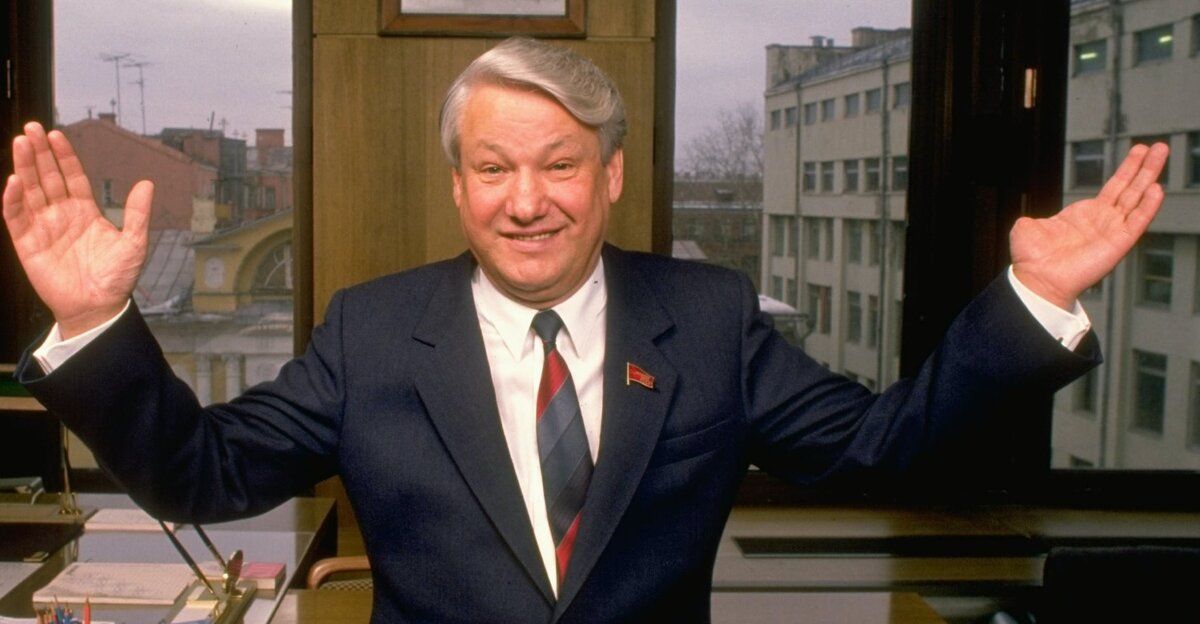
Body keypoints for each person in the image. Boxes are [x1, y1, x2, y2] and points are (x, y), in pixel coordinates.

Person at [3, 37, 1167, 623]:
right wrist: (96, 321)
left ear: (610, 176)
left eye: (559, 165)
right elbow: (203, 476)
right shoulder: (373, 332)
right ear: (458, 186)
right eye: (494, 168)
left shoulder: (708, 319)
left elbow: (885, 446)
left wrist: (1030, 304)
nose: (527, 201)